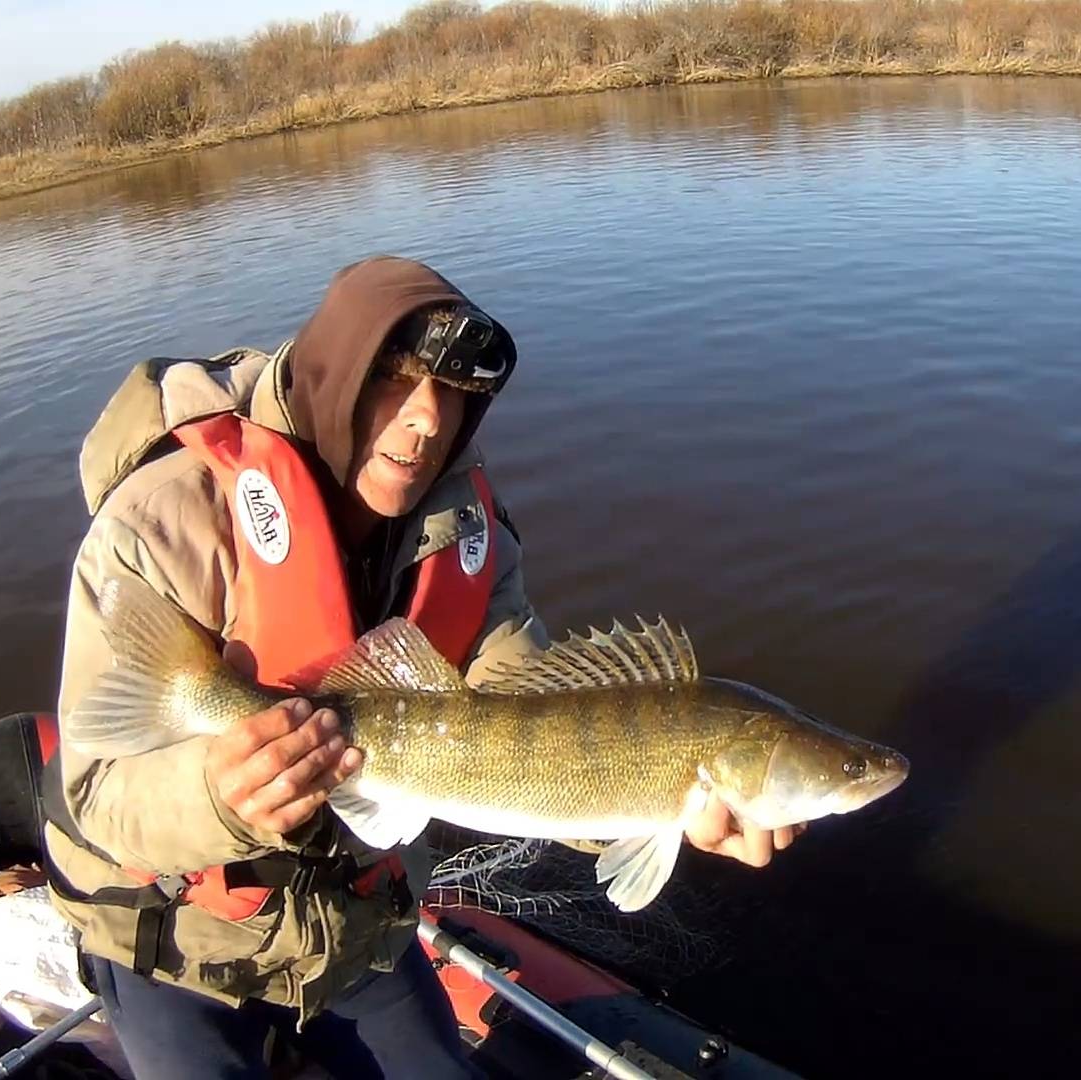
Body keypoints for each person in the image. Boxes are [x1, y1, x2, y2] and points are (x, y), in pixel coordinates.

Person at [41, 256, 805, 1079]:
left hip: (354, 920)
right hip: (174, 934)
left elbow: (538, 719)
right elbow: (95, 797)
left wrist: (651, 803)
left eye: (454, 397)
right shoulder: (161, 520)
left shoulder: (465, 524)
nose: (425, 423)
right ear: (335, 377)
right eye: (393, 384)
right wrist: (220, 794)